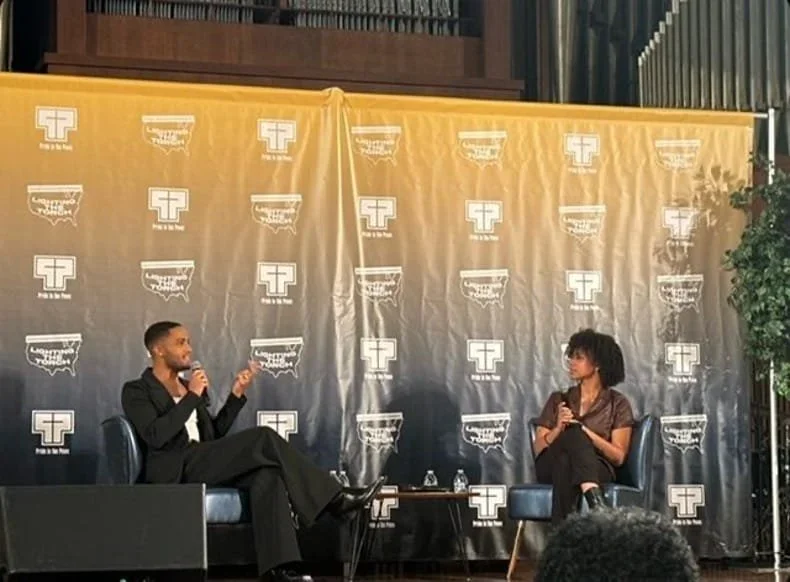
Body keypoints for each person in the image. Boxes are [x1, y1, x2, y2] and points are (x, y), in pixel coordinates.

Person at [121, 321, 385, 582]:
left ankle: (278, 570)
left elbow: (214, 435)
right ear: (158, 349)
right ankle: (335, 500)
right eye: (180, 342)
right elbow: (156, 436)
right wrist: (191, 397)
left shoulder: (188, 386)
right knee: (263, 437)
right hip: (175, 469)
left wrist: (236, 396)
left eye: (189, 342)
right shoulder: (137, 390)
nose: (189, 349)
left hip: (204, 458)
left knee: (267, 476)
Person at [533, 328, 634, 523]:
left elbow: (619, 457)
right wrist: (558, 428)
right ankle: (594, 498)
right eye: (571, 357)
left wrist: (584, 431)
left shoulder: (618, 403)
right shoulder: (558, 399)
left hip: (597, 467)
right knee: (570, 437)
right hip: (549, 466)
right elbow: (538, 449)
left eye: (578, 358)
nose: (571, 362)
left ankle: (562, 541)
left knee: (567, 459)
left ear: (597, 364)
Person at [534, 507, 700, 581]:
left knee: (575, 440)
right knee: (568, 451)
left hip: (597, 464)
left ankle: (569, 511)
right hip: (566, 466)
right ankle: (592, 494)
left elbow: (618, 455)